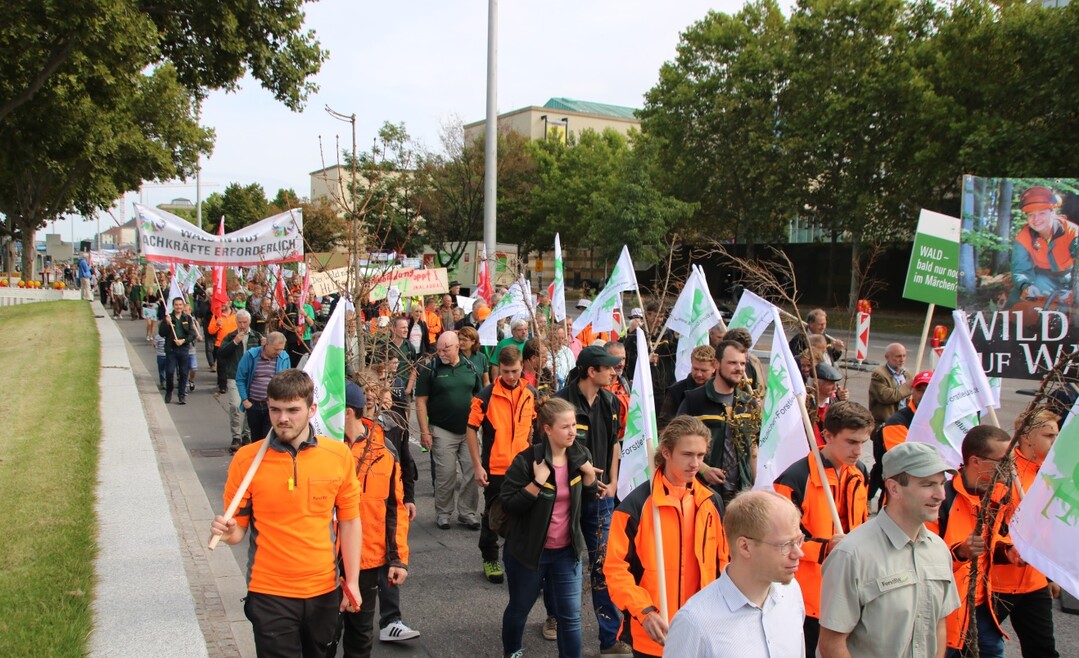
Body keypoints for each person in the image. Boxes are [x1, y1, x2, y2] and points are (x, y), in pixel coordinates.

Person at [209, 369, 362, 658]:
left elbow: (350, 521)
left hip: (323, 590)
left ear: (311, 409)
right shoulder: (246, 460)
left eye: (293, 410)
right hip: (269, 593)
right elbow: (238, 529)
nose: (283, 419)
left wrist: (352, 581)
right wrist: (230, 533)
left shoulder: (338, 456)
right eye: (275, 409)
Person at [818, 442, 960, 658]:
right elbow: (832, 644)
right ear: (894, 488)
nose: (940, 494)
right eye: (927, 485)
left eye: (942, 484)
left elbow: (939, 623)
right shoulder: (852, 555)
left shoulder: (939, 549)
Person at [606, 416, 730, 658]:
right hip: (655, 634)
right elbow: (615, 569)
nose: (695, 463)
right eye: (687, 454)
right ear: (666, 452)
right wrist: (645, 612)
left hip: (704, 630)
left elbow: (723, 563)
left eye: (701, 455)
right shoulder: (635, 506)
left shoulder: (711, 501)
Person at [499, 397, 601, 658]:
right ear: (547, 429)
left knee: (570, 617)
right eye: (565, 426)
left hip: (566, 552)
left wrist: (590, 479)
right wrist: (537, 483)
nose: (572, 432)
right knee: (520, 608)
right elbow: (509, 504)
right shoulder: (526, 461)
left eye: (574, 425)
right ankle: (512, 652)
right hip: (529, 552)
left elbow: (586, 505)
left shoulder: (581, 456)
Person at [774, 401, 873, 656]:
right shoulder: (795, 478)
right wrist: (826, 548)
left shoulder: (859, 472)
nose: (859, 450)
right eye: (852, 441)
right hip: (808, 597)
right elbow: (779, 541)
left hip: (850, 588)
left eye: (863, 442)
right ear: (827, 435)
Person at [549, 344, 628, 654]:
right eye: (608, 367)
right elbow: (549, 449)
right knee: (562, 562)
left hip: (600, 498)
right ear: (591, 371)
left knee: (602, 566)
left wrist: (613, 481)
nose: (614, 371)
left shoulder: (611, 401)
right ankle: (555, 616)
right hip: (565, 498)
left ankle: (609, 637)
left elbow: (615, 445)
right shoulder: (561, 402)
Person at [663, 491, 806, 658]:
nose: (799, 553)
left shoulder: (792, 593)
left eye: (798, 541)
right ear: (745, 546)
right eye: (785, 545)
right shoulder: (694, 623)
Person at [334, 382, 416, 656]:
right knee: (324, 636)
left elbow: (394, 510)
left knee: (359, 637)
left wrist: (398, 559)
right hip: (324, 562)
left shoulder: (383, 451)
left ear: (346, 412)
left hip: (367, 560)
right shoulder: (322, 450)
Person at [936, 425, 1015, 658]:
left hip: (983, 609)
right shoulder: (942, 499)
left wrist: (1006, 551)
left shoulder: (1000, 494)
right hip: (946, 612)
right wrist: (959, 553)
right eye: (1001, 461)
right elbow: (920, 558)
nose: (1007, 468)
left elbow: (997, 539)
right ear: (975, 461)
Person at [990, 410, 1060, 657]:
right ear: (1027, 437)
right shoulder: (1002, 470)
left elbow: (1050, 529)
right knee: (973, 647)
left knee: (1043, 651)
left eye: (1057, 434)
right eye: (1049, 435)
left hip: (1034, 582)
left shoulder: (1052, 473)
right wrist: (1007, 548)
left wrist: (1051, 576)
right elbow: (988, 525)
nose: (1055, 441)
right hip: (996, 582)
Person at [466, 345, 536, 584]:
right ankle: (490, 557)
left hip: (524, 468)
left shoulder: (531, 394)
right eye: (505, 371)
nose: (510, 376)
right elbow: (471, 430)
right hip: (494, 468)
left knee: (525, 515)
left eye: (515, 371)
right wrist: (477, 466)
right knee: (493, 515)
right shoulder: (484, 397)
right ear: (499, 370)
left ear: (521, 367)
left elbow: (537, 428)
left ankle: (519, 560)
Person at [416, 331, 483, 530]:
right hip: (442, 429)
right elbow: (421, 402)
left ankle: (467, 512)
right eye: (439, 349)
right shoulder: (431, 370)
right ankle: (443, 513)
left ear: (457, 347)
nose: (441, 353)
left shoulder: (470, 367)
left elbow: (479, 396)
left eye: (445, 349)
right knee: (446, 474)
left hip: (468, 430)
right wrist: (424, 431)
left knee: (472, 471)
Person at [676, 340, 754, 502]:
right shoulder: (694, 399)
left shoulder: (748, 403)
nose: (739, 368)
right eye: (732, 363)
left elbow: (754, 450)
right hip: (702, 492)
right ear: (716, 364)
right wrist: (703, 470)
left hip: (743, 494)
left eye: (742, 363)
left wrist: (757, 484)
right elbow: (674, 444)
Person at [868, 370, 932, 500]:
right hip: (903, 496)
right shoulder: (896, 423)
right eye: (920, 390)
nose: (924, 395)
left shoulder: (944, 420)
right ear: (912, 391)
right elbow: (904, 462)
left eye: (929, 390)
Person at [1010, 185, 1079, 305]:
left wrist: (1074, 289)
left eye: (1042, 213)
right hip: (1043, 279)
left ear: (1053, 212)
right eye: (1031, 214)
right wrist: (1025, 286)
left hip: (1071, 277)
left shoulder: (1072, 232)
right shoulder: (1023, 237)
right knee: (1016, 299)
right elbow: (1020, 270)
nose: (1036, 219)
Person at [217, 310, 263, 453]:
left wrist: (265, 345)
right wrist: (234, 342)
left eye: (245, 322)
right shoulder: (230, 336)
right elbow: (221, 354)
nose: (242, 325)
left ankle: (246, 435)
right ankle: (236, 436)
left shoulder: (256, 336)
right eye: (240, 322)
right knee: (236, 406)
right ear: (236, 322)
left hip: (252, 377)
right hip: (235, 376)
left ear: (249, 322)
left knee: (249, 406)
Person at [236, 332, 291, 443]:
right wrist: (245, 400)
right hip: (253, 404)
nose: (278, 352)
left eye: (281, 349)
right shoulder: (250, 355)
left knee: (268, 439)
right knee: (256, 439)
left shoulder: (284, 357)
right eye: (276, 349)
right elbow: (240, 378)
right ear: (266, 344)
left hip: (272, 406)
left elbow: (287, 381)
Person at [658, 345, 715, 429]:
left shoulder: (723, 390)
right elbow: (664, 425)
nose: (699, 374)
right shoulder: (675, 391)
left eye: (704, 370)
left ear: (714, 368)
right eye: (695, 369)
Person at [160, 297, 196, 404]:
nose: (178, 307)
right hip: (171, 349)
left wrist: (184, 341)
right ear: (173, 306)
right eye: (176, 305)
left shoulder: (187, 318)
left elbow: (192, 334)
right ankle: (169, 391)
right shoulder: (168, 318)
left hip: (183, 349)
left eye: (180, 305)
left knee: (184, 373)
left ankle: (181, 395)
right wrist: (167, 324)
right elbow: (162, 333)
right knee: (170, 372)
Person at [868, 343, 913, 424]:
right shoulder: (879, 374)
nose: (902, 359)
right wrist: (908, 387)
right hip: (885, 422)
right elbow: (886, 396)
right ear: (887, 357)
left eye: (904, 356)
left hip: (903, 420)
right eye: (898, 356)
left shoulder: (906, 373)